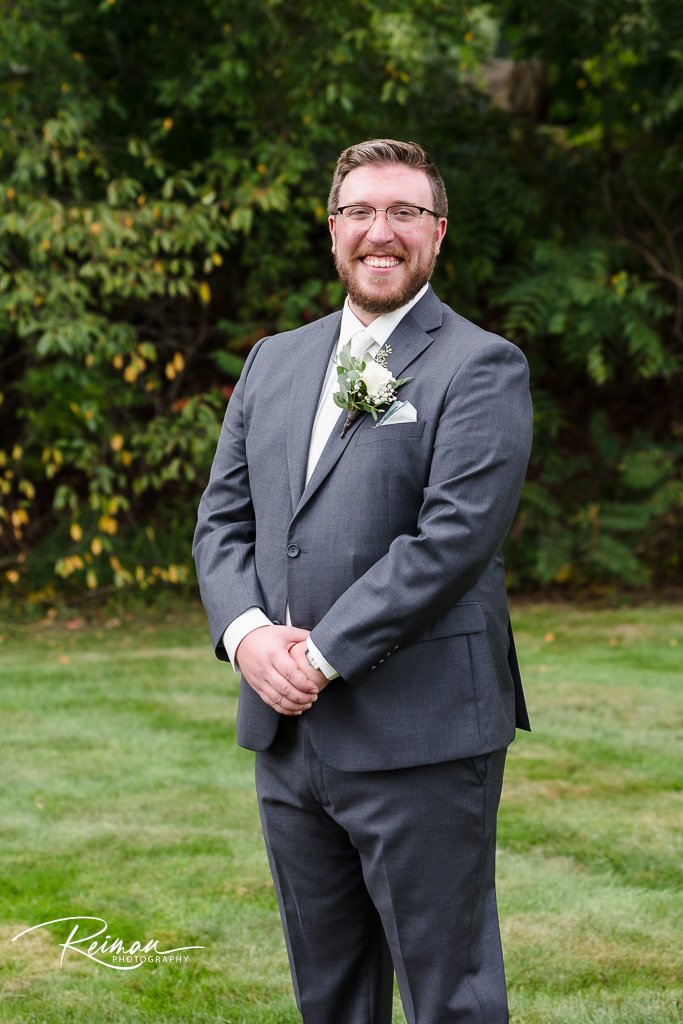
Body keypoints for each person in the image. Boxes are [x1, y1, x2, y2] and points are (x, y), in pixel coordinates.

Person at [193, 138, 533, 1024]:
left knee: (447, 995)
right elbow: (221, 523)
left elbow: (451, 540)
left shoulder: (480, 364)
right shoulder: (274, 360)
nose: (379, 232)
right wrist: (248, 637)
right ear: (333, 228)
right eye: (360, 212)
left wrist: (323, 654)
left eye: (404, 213)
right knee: (330, 996)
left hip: (421, 732)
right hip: (288, 737)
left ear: (437, 232)